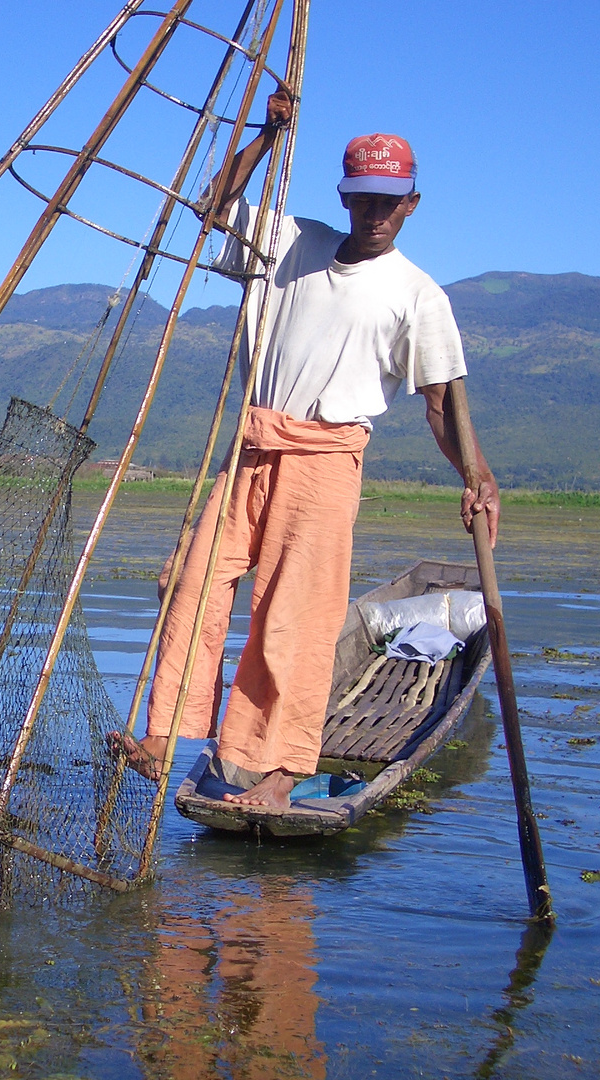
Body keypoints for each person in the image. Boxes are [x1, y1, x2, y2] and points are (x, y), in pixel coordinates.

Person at [111, 88, 500, 809]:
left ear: (412, 204)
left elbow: (442, 405)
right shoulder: (292, 241)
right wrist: (265, 134)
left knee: (294, 618)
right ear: (345, 198)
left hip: (325, 461)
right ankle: (167, 734)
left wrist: (475, 475)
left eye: (389, 202)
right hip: (255, 445)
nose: (375, 215)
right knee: (190, 586)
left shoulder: (419, 297)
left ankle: (280, 766)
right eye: (363, 200)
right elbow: (211, 207)